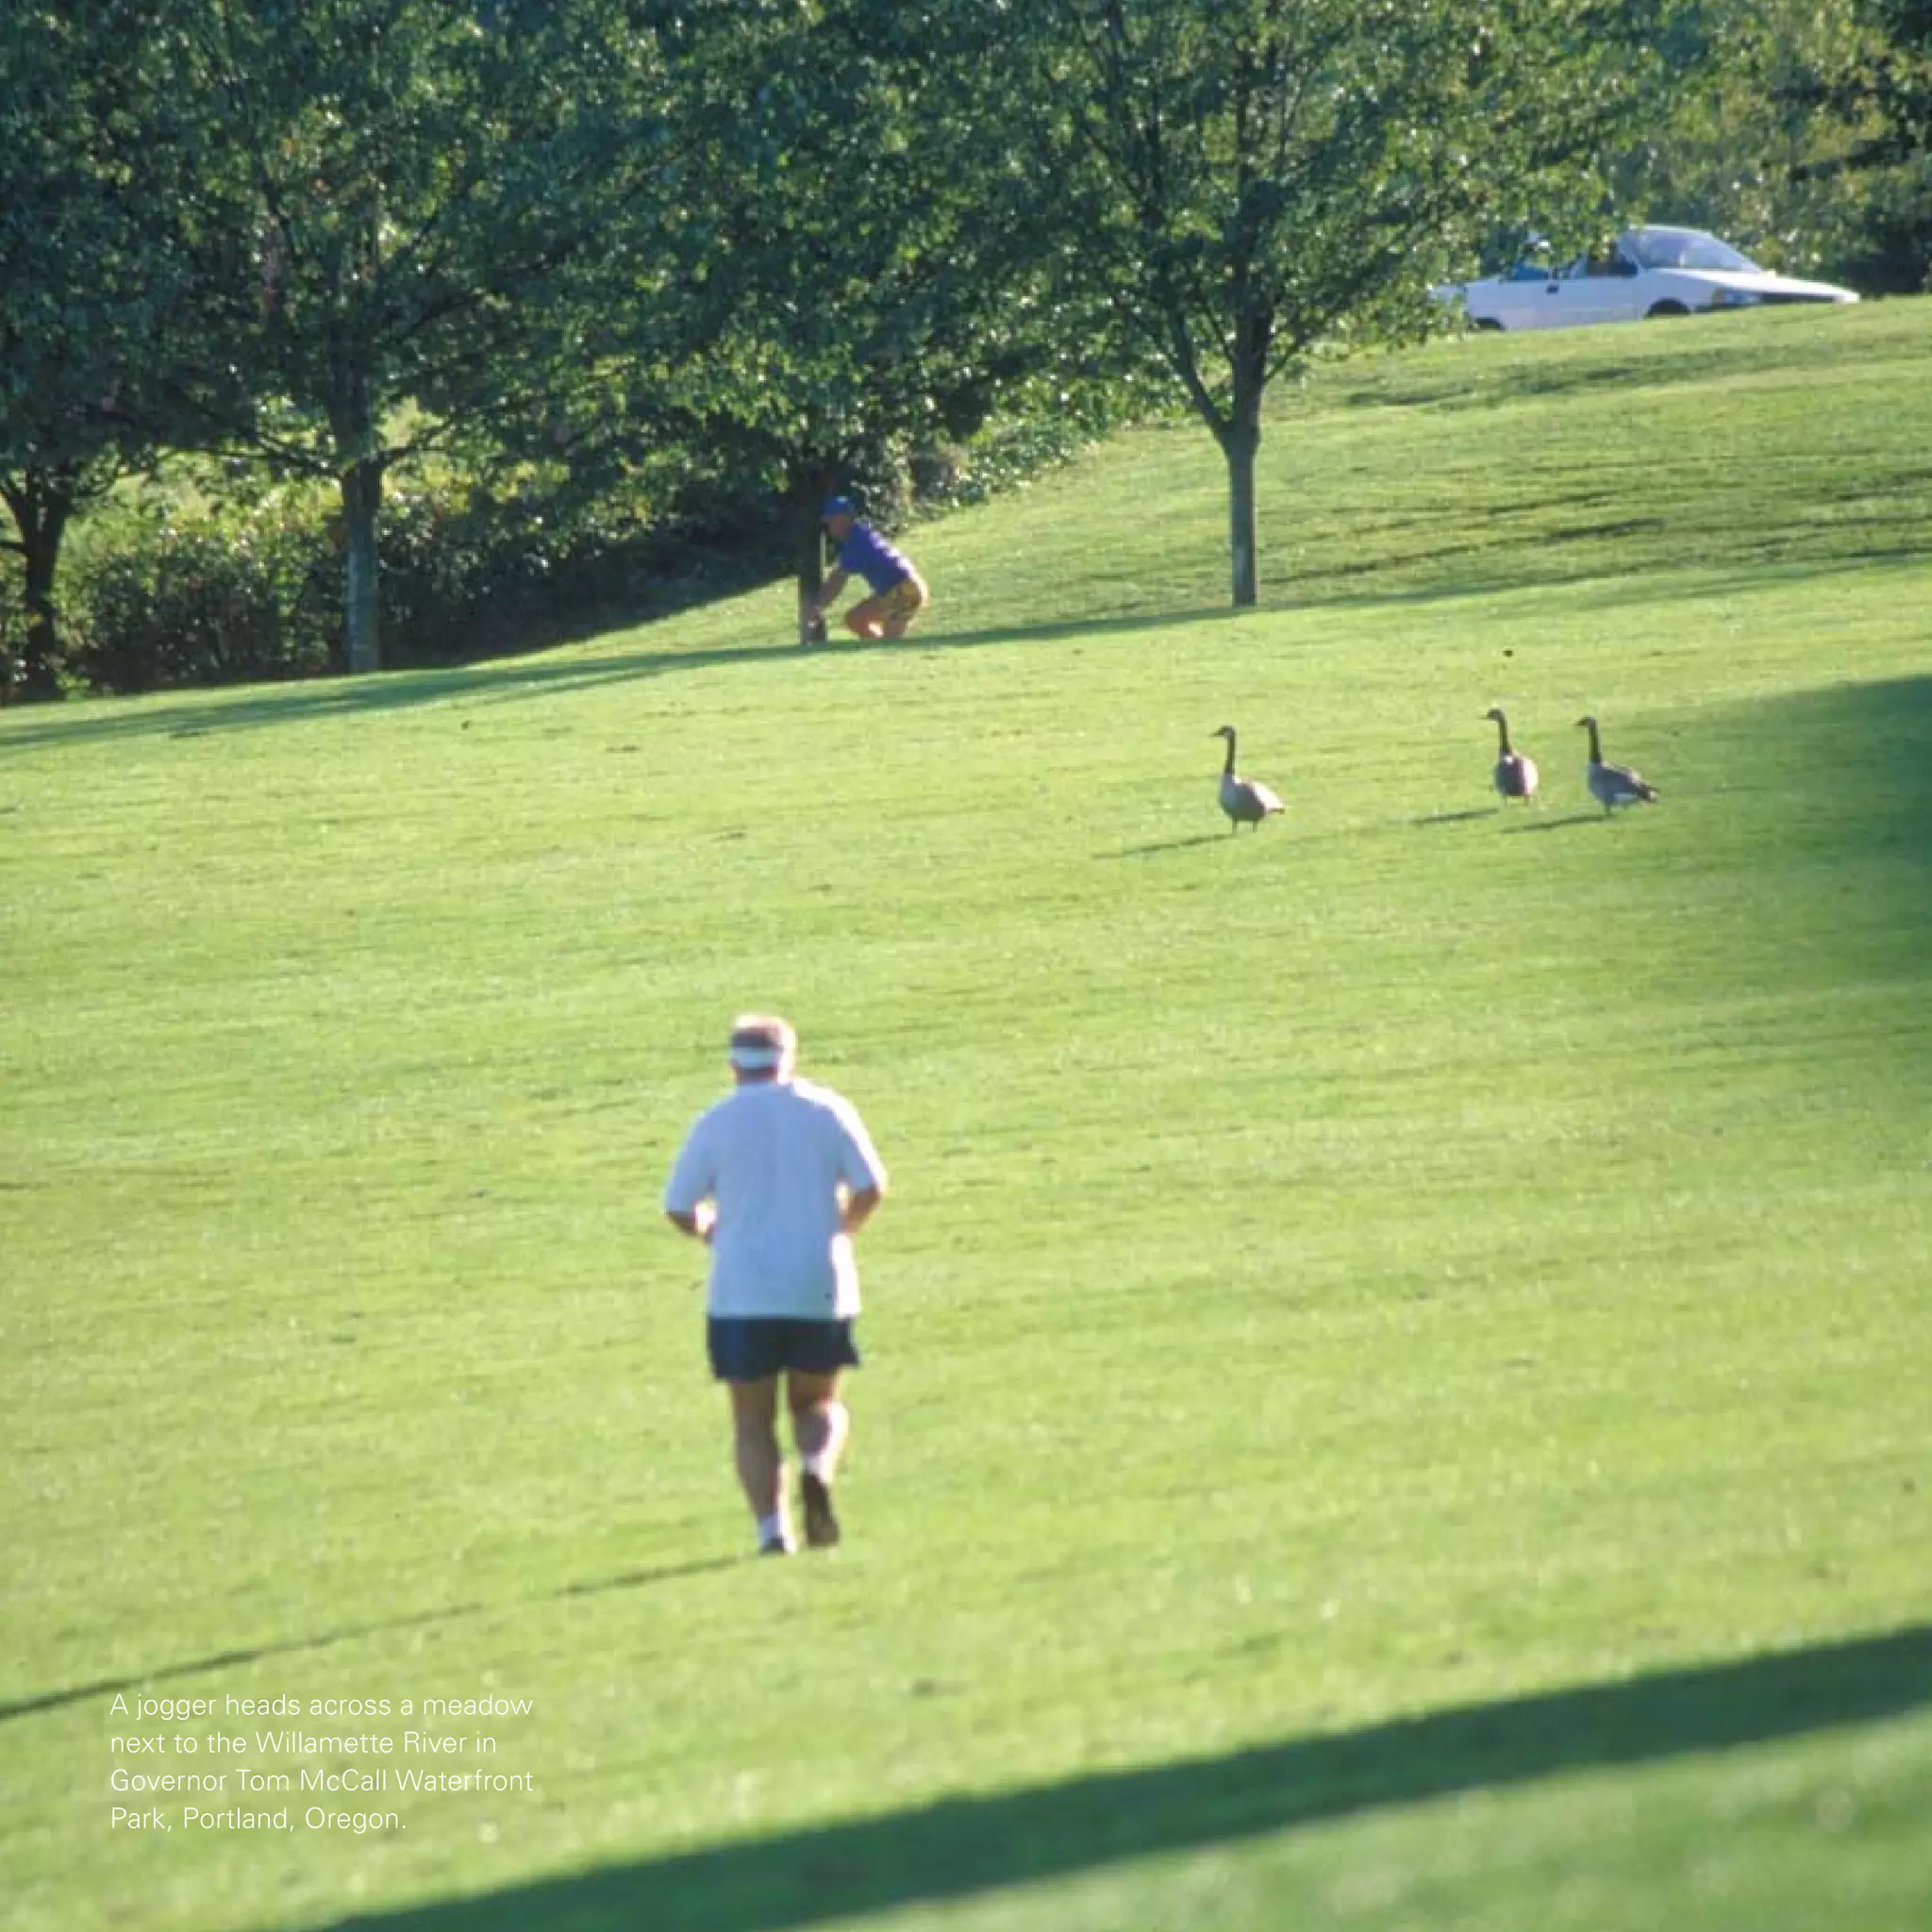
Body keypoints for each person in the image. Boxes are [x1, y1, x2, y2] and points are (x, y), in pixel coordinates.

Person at [663, 1015, 889, 1556]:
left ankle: (772, 1531)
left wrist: (711, 1231)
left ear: (734, 1066)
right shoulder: (825, 1110)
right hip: (819, 1280)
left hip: (743, 1289)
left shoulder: (717, 1121)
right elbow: (870, 1186)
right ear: (789, 1059)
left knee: (752, 1418)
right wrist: (843, 1230)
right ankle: (817, 1468)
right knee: (818, 1405)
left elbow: (678, 1206)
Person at [807, 495, 930, 641]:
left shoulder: (857, 541)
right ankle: (874, 648)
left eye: (831, 521)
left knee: (891, 645)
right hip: (896, 591)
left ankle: (883, 654)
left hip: (904, 591)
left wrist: (817, 606)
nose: (830, 528)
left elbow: (836, 581)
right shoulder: (858, 535)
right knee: (855, 619)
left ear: (843, 518)